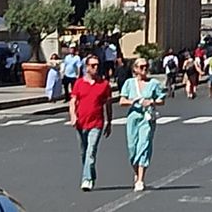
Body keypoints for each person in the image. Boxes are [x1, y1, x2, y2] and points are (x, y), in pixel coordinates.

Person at [118, 58, 166, 192]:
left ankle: (140, 179)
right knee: (132, 148)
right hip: (133, 117)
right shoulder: (129, 83)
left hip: (147, 118)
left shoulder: (154, 83)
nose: (145, 69)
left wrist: (152, 102)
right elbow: (122, 100)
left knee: (144, 145)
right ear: (135, 69)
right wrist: (134, 101)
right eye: (141, 67)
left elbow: (162, 99)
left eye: (146, 66)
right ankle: (136, 170)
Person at [69, 54, 112, 192]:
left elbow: (108, 104)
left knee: (91, 151)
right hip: (81, 123)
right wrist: (73, 116)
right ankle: (91, 175)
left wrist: (109, 122)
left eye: (97, 65)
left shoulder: (104, 85)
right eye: (93, 65)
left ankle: (86, 179)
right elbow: (73, 101)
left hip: (97, 123)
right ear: (87, 67)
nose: (96, 68)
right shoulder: (79, 83)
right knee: (83, 152)